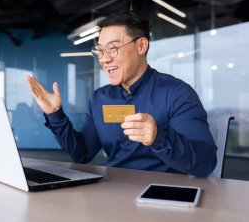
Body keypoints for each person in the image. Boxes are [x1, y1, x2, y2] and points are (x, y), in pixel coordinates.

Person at [26, 11, 217, 177]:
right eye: (100, 50)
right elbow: (81, 154)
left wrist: (159, 137)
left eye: (113, 48)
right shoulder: (100, 98)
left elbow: (205, 164)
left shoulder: (177, 94)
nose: (105, 59)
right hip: (113, 192)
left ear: (141, 46)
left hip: (163, 197)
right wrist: (55, 114)